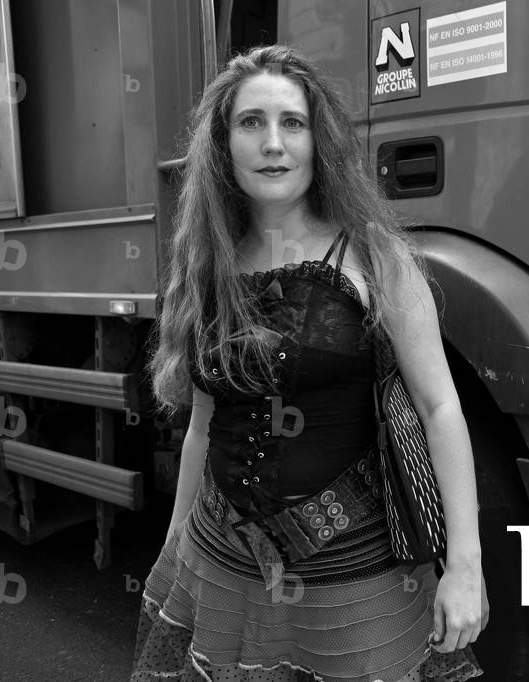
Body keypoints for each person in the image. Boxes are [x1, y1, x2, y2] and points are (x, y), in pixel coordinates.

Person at [131, 44, 487, 682]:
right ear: (222, 144)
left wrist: (465, 565)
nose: (273, 143)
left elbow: (440, 409)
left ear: (318, 140)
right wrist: (173, 538)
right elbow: (202, 427)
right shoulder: (207, 265)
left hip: (355, 574)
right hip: (219, 564)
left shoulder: (375, 258)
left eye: (292, 123)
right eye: (251, 122)